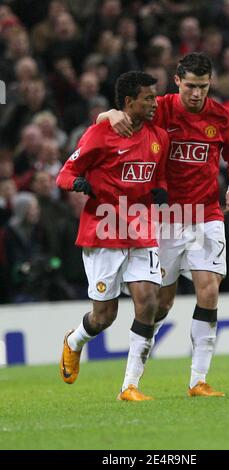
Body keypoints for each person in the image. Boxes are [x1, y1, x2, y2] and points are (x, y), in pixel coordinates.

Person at [97, 53, 229, 397]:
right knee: (160, 304)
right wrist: (109, 113)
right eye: (191, 86)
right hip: (163, 218)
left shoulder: (224, 118)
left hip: (206, 214)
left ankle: (198, 380)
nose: (197, 94)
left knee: (208, 288)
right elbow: (118, 116)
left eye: (203, 87)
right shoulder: (160, 108)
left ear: (211, 83)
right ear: (177, 80)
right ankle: (130, 383)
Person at [56, 71, 169, 401]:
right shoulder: (101, 133)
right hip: (103, 231)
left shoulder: (158, 135)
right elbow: (66, 172)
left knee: (148, 302)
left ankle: (130, 386)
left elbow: (157, 175)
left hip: (141, 230)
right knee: (104, 317)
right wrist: (77, 184)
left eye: (155, 97)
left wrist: (160, 191)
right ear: (129, 102)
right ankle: (74, 341)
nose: (154, 103)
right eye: (148, 98)